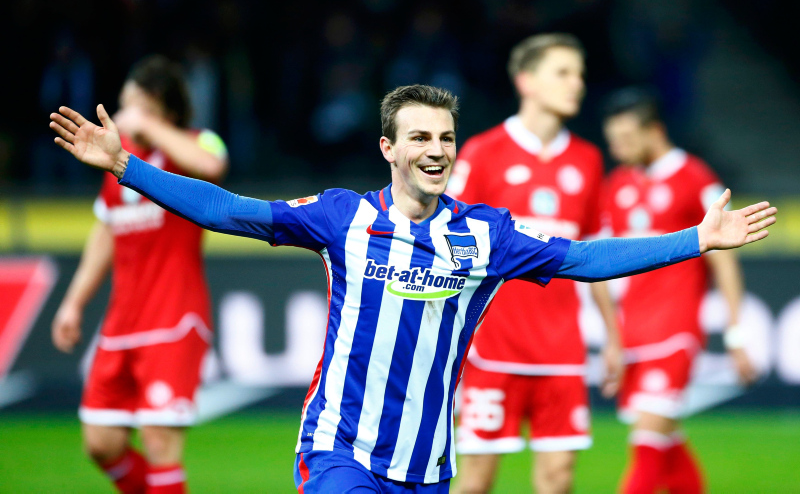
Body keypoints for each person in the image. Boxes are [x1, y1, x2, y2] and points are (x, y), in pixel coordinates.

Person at [49, 84, 775, 494]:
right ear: (389, 148)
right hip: (340, 450)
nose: (436, 150)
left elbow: (584, 258)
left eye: (446, 138)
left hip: (428, 467)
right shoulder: (343, 217)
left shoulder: (486, 236)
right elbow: (230, 211)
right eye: (420, 138)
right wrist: (126, 166)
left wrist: (695, 240)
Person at [446, 33, 621, 494]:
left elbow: (596, 255)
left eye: (579, 73)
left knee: (558, 479)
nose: (576, 83)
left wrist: (613, 336)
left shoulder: (587, 160)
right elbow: (446, 243)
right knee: (476, 480)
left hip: (562, 348)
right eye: (563, 72)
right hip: (492, 347)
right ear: (526, 81)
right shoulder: (483, 152)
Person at [50, 55, 228, 494]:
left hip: (175, 318)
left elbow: (213, 166)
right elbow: (105, 233)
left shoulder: (196, 142)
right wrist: (73, 302)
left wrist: (149, 126)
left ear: (162, 108)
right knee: (100, 442)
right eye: (125, 104)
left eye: (137, 106)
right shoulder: (115, 161)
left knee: (159, 440)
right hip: (122, 322)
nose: (125, 115)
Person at [600, 88, 758, 494]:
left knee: (647, 445)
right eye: (613, 141)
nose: (619, 150)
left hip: (675, 330)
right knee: (666, 443)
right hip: (633, 333)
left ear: (654, 131)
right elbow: (599, 264)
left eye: (627, 139)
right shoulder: (617, 185)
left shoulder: (695, 178)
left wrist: (736, 335)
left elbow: (724, 263)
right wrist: (613, 338)